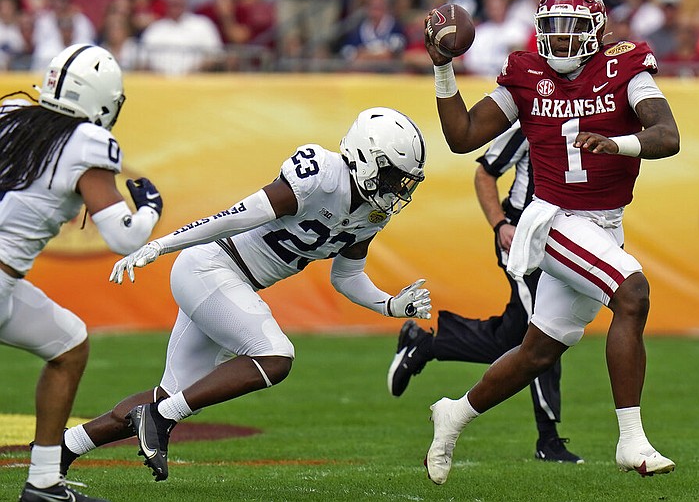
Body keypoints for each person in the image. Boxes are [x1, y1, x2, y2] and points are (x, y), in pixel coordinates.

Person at [60, 107, 432, 483]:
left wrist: (389, 304)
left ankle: (64, 448)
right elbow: (238, 216)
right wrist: (164, 244)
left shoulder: (373, 213)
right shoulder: (321, 175)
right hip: (213, 266)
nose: (396, 188)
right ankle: (159, 418)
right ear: (367, 157)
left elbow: (348, 276)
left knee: (168, 394)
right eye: (392, 176)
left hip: (226, 283)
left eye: (403, 181)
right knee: (276, 356)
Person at [421, 0, 680, 484]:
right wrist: (442, 68)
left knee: (538, 351)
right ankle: (631, 439)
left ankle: (455, 412)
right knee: (632, 292)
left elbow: (666, 136)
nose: (559, 40)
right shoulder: (525, 74)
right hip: (554, 219)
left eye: (571, 29)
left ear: (596, 30)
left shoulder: (625, 65)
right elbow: (463, 137)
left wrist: (617, 144)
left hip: (603, 224)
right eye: (552, 29)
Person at [0, 44, 163, 502]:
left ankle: (45, 482)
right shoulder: (86, 141)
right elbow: (124, 238)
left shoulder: (12, 112)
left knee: (68, 343)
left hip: (5, 284)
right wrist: (149, 210)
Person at [388, 121, 583, 464]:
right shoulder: (533, 121)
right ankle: (548, 439)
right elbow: (485, 172)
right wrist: (500, 224)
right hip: (522, 239)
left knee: (515, 337)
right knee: (546, 333)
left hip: (561, 241)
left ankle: (427, 344)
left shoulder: (592, 115)